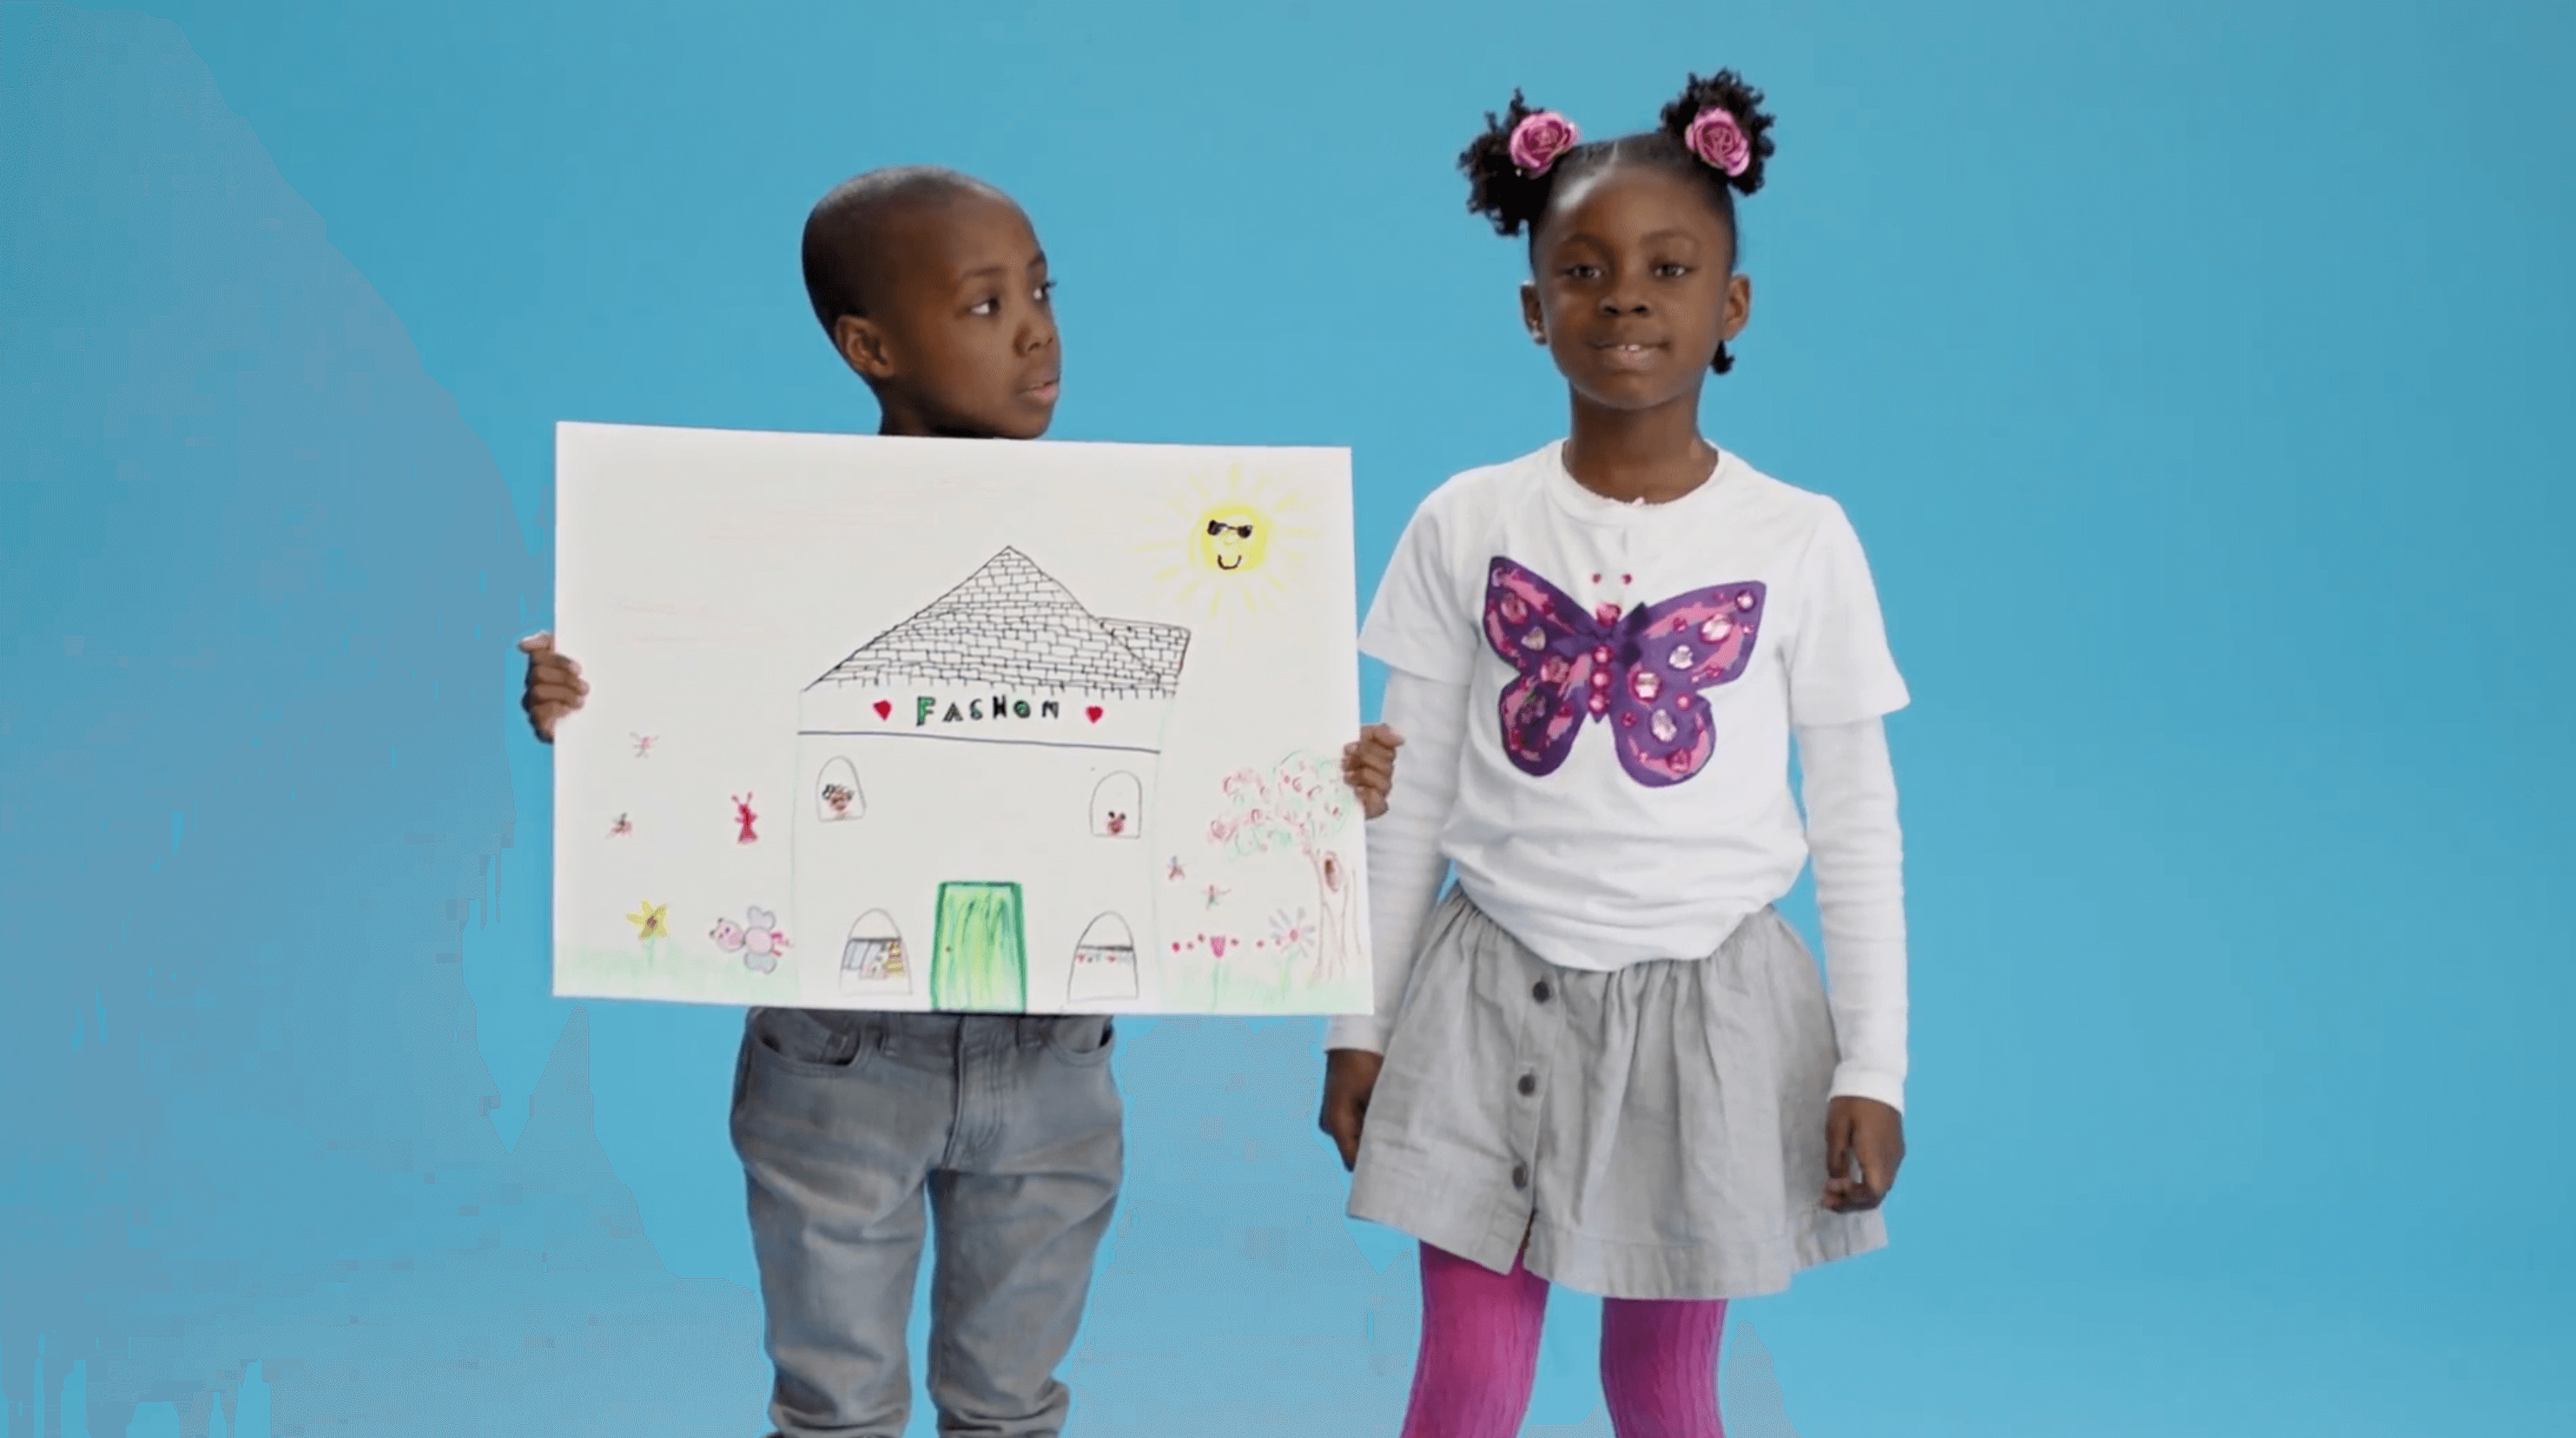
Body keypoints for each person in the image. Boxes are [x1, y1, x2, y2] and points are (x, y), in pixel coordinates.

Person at [517, 165, 1402, 1438]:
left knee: (1009, 1402)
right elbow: (689, 723)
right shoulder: (781, 551)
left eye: (1039, 290)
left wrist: (1323, 776)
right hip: (837, 1048)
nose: (1036, 328)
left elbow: (1215, 744)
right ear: (869, 347)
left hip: (1052, 1054)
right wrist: (587, 705)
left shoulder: (1123, 548)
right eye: (983, 306)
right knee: (834, 1405)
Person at [1315, 71, 1912, 1437]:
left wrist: (1868, 1070)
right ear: (1534, 311)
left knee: (1658, 1385)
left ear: (1730, 308)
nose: (1626, 298)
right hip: (1481, 1001)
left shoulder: (1798, 538)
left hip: (1707, 1012)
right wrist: (1358, 1023)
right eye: (1582, 270)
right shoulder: (1467, 520)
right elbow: (1401, 800)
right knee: (1463, 1382)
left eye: (1668, 269)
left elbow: (1859, 820)